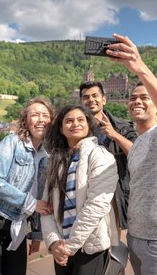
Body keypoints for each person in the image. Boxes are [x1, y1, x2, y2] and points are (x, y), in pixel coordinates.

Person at [106, 33, 157, 275]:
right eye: (133, 98)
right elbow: (135, 154)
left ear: (156, 103)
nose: (137, 102)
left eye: (145, 97)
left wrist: (139, 67)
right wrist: (113, 133)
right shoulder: (138, 142)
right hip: (136, 236)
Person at [0, 96, 54, 275]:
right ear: (25, 120)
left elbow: (40, 196)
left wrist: (36, 234)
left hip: (17, 226)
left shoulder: (47, 155)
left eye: (45, 115)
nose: (41, 119)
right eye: (35, 114)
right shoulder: (11, 142)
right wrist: (32, 204)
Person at [41, 104, 119, 275]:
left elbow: (97, 204)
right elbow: (46, 208)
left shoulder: (100, 155)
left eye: (80, 120)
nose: (75, 124)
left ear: (88, 125)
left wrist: (70, 245)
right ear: (61, 129)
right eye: (68, 121)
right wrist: (53, 242)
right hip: (61, 245)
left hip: (89, 246)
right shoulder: (56, 160)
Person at [79, 81, 137, 230]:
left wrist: (114, 134)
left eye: (95, 95)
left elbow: (138, 153)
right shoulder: (76, 130)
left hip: (114, 195)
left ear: (104, 99)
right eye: (86, 97)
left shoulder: (122, 127)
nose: (91, 100)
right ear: (81, 102)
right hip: (85, 194)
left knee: (116, 242)